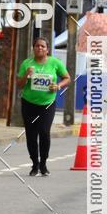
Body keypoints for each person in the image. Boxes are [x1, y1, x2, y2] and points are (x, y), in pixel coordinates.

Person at [17, 38, 70, 176]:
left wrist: (58, 86)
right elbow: (19, 84)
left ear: (47, 49)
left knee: (44, 132)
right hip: (29, 103)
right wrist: (27, 75)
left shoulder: (55, 62)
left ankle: (44, 163)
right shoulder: (26, 63)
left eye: (42, 46)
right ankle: (35, 164)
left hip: (47, 104)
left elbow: (67, 78)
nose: (39, 48)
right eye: (37, 46)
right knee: (31, 134)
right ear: (33, 48)